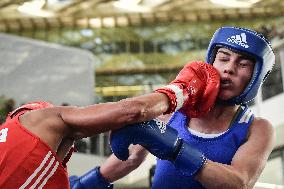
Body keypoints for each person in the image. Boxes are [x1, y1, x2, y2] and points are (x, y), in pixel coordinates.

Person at [97, 26, 276, 189]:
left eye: (243, 64)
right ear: (211, 61)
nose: (229, 68)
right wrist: (86, 183)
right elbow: (130, 158)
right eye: (223, 58)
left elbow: (239, 183)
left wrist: (175, 150)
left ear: (256, 77)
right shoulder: (174, 110)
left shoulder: (257, 128)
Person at [0, 60, 220, 188]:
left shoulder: (10, 142)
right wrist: (179, 92)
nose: (68, 142)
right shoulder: (41, 120)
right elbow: (132, 112)